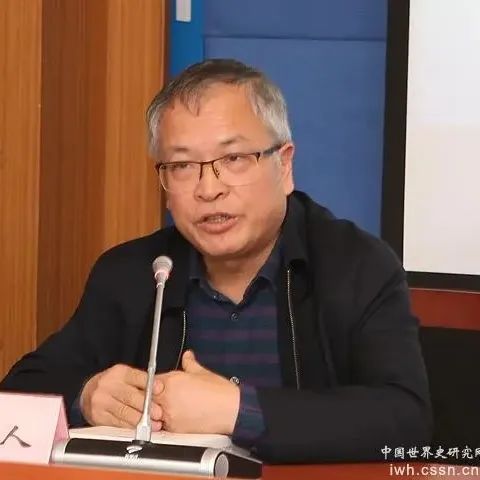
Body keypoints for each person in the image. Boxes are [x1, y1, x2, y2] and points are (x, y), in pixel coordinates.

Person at [0, 59, 431, 463]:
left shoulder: (354, 265)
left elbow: (406, 420)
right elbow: (16, 395)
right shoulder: (135, 272)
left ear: (284, 166)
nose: (208, 189)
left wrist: (240, 411)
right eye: (182, 166)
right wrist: (86, 395)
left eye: (233, 159)